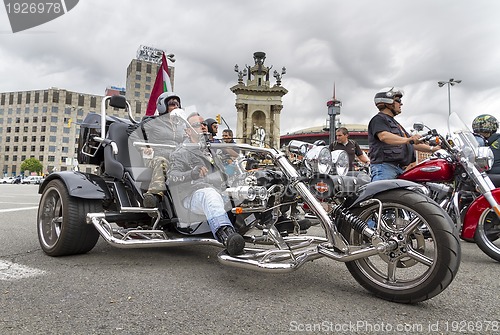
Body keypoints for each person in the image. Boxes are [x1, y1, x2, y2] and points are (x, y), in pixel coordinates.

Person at [167, 113, 245, 256]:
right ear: (188, 131)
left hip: (219, 192)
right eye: (197, 125)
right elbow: (171, 177)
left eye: (203, 124)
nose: (203, 127)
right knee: (209, 195)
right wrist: (192, 173)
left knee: (250, 190)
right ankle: (226, 235)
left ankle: (282, 226)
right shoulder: (181, 152)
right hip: (193, 196)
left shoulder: (211, 150)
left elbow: (223, 176)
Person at [368, 87, 438, 181]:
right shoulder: (378, 119)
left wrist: (433, 149)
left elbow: (413, 144)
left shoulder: (396, 124)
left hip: (399, 169)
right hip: (385, 168)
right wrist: (409, 140)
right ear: (388, 102)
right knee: (383, 195)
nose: (401, 103)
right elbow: (384, 136)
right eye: (398, 100)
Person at [140, 92, 186, 207]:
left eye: (177, 104)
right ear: (163, 106)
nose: (176, 106)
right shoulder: (153, 122)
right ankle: (154, 196)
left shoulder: (181, 125)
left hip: (176, 158)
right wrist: (145, 147)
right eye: (172, 104)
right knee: (162, 161)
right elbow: (135, 135)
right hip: (155, 157)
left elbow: (187, 140)